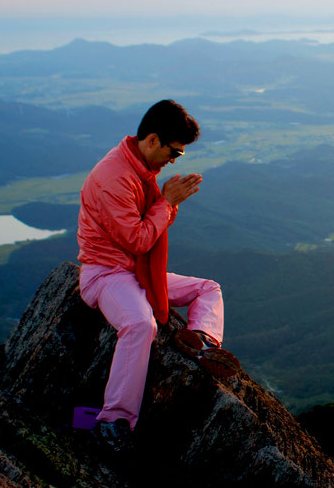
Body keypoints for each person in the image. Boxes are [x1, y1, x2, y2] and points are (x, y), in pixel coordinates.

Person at [76, 99, 238, 450]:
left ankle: (202, 343)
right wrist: (169, 202)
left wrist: (166, 201)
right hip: (107, 274)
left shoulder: (139, 169)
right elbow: (136, 239)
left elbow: (148, 229)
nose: (174, 160)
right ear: (152, 140)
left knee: (208, 289)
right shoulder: (114, 177)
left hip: (136, 272)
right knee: (139, 324)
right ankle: (113, 420)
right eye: (174, 152)